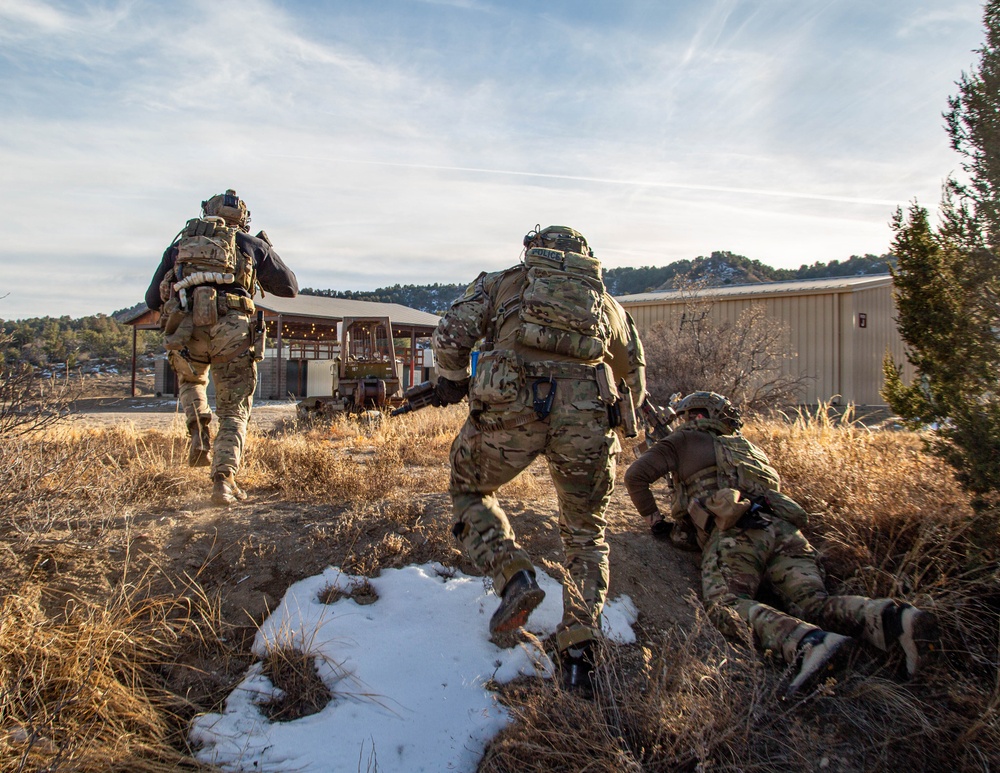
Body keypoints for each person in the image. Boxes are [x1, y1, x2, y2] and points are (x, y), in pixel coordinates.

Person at [431, 225, 646, 695]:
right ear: (586, 257)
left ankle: (514, 574)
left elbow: (450, 333)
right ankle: (578, 654)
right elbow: (634, 380)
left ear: (533, 251)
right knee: (587, 535)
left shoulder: (505, 282)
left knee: (468, 489)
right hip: (586, 420)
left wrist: (449, 378)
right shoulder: (607, 303)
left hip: (511, 409)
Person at [624, 391, 940, 697]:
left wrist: (656, 521)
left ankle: (808, 644)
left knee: (726, 604)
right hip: (785, 530)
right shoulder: (750, 450)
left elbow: (635, 476)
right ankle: (893, 617)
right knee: (811, 603)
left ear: (691, 416)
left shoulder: (682, 441)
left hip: (737, 533)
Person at [145, 190, 298, 506]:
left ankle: (198, 421)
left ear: (206, 213)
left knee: (192, 381)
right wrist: (264, 250)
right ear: (242, 218)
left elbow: (151, 300)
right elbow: (290, 288)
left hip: (185, 327)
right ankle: (223, 482)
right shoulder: (248, 244)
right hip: (232, 331)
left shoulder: (179, 246)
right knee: (233, 409)